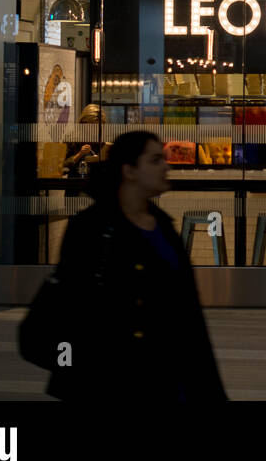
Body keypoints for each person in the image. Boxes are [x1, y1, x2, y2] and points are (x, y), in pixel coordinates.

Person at [46, 131, 226, 402]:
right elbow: (70, 309)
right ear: (129, 171)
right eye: (155, 160)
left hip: (166, 380)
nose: (166, 166)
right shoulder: (92, 228)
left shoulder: (163, 226)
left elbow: (189, 319)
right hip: (113, 384)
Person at [63, 103, 107, 176]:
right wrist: (80, 154)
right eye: (92, 126)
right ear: (83, 123)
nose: (96, 130)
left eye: (98, 127)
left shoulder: (102, 141)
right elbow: (63, 165)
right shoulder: (72, 139)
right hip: (76, 182)